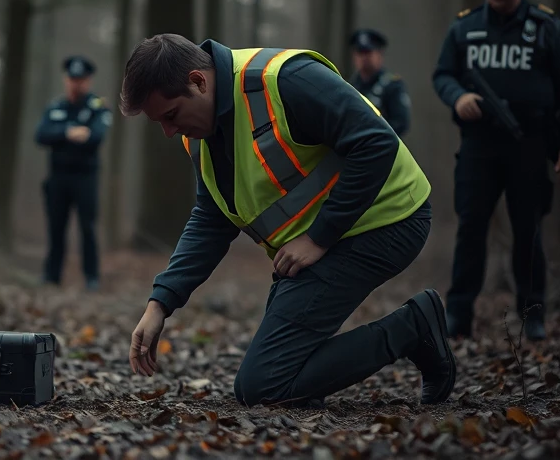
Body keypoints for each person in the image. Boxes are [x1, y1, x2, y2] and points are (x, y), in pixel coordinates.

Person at [120, 34, 456, 408]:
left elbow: (375, 142)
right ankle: (406, 332)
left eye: (170, 116)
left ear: (199, 82)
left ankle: (414, 328)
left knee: (264, 387)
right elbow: (211, 218)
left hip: (387, 220)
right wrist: (160, 303)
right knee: (270, 380)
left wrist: (318, 238)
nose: (169, 132)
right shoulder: (198, 133)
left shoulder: (285, 81)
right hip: (325, 245)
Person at [432, 0, 560, 341]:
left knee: (528, 232)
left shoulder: (545, 26)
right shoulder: (464, 27)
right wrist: (458, 96)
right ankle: (458, 314)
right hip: (479, 145)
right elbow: (443, 74)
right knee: (471, 229)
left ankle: (532, 314)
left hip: (530, 143)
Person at [34, 55, 112, 290]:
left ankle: (91, 278)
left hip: (85, 177)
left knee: (87, 228)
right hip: (58, 177)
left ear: (88, 80)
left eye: (81, 79)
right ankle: (51, 276)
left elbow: (96, 137)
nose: (76, 83)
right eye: (72, 78)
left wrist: (65, 136)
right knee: (56, 228)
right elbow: (40, 135)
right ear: (65, 79)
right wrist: (69, 132)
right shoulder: (55, 106)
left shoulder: (98, 106)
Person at [348, 28, 411, 137]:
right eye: (360, 53)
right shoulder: (350, 86)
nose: (364, 58)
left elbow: (400, 123)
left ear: (379, 54)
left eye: (368, 52)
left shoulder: (392, 85)